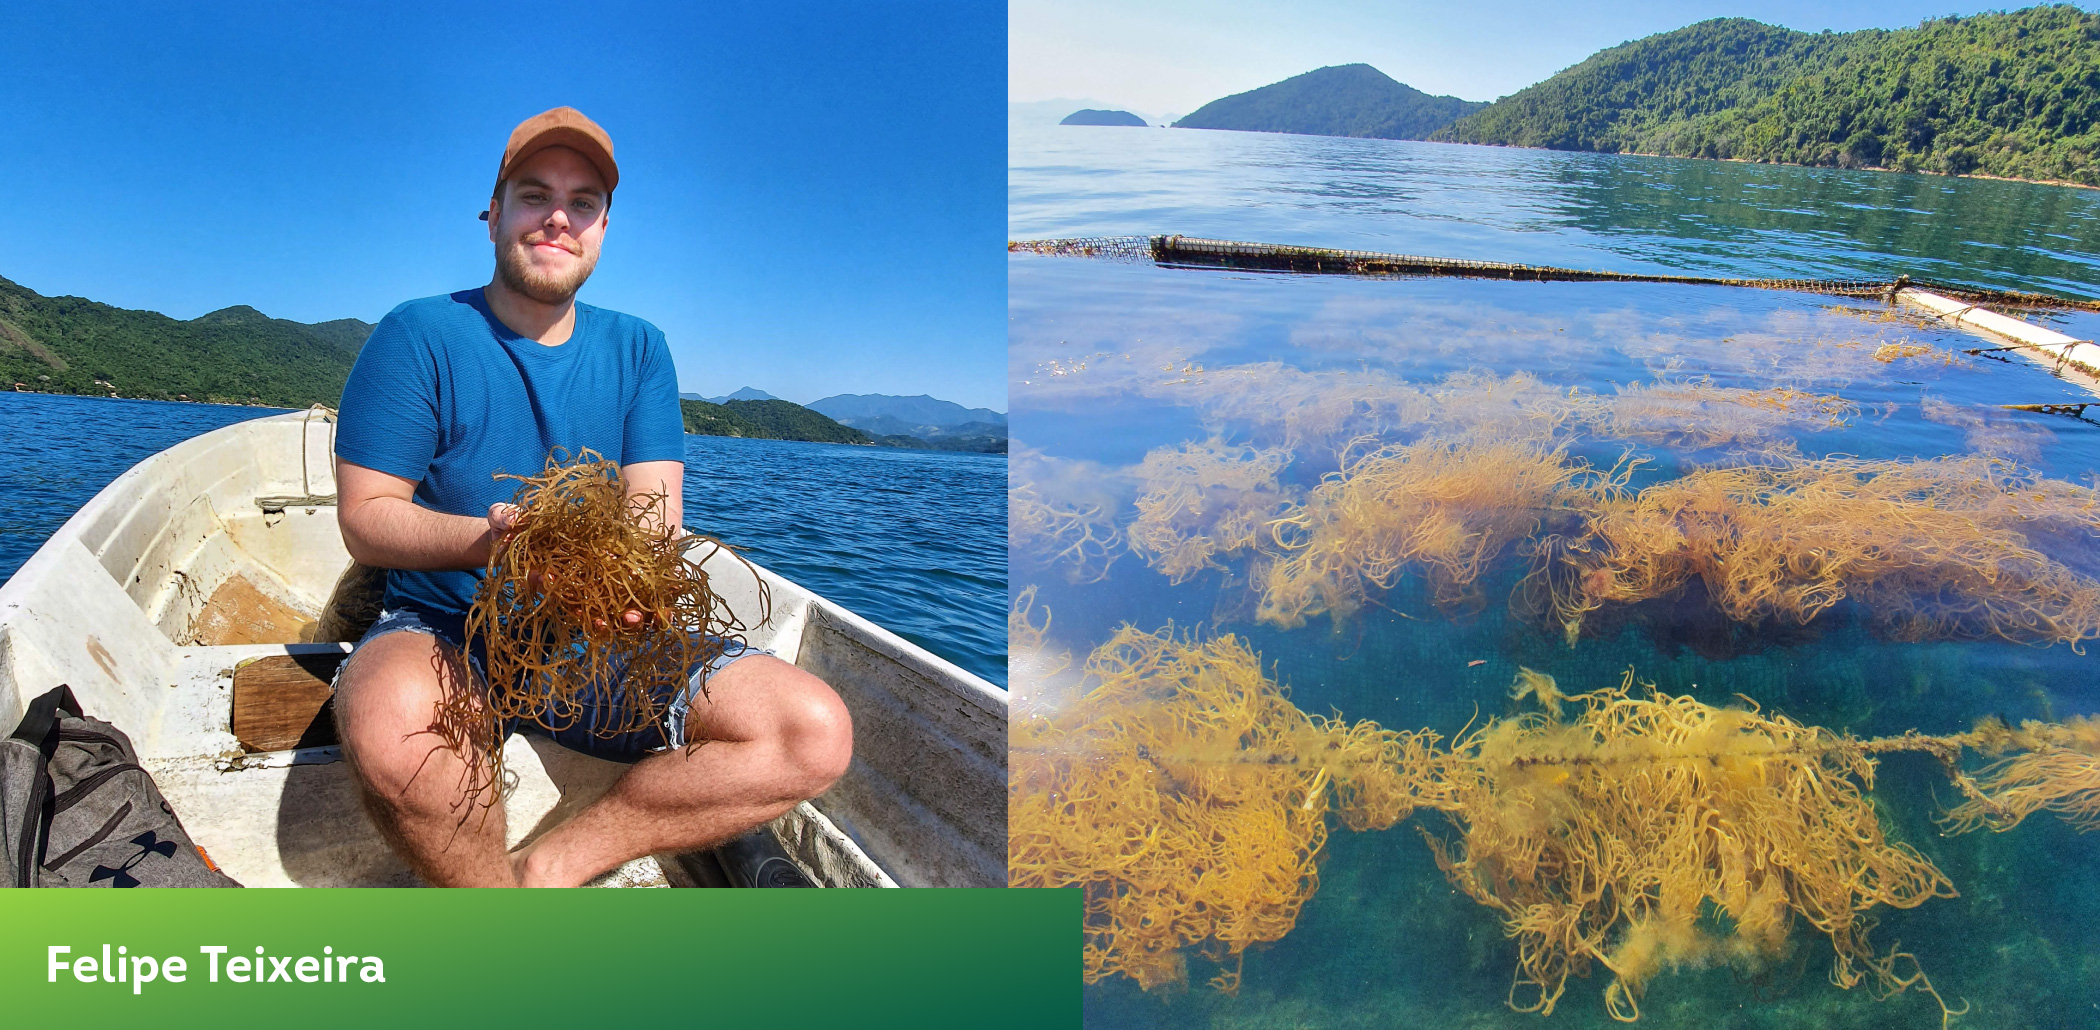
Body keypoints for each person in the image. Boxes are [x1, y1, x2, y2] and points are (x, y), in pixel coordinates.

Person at [330, 107, 853, 887]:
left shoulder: (640, 348)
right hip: (447, 624)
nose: (557, 219)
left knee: (812, 733)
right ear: (494, 214)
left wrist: (631, 587)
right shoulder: (420, 334)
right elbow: (366, 519)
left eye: (582, 203)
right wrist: (493, 542)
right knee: (391, 725)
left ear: (603, 227)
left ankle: (551, 868)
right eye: (534, 194)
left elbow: (651, 516)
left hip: (594, 640)